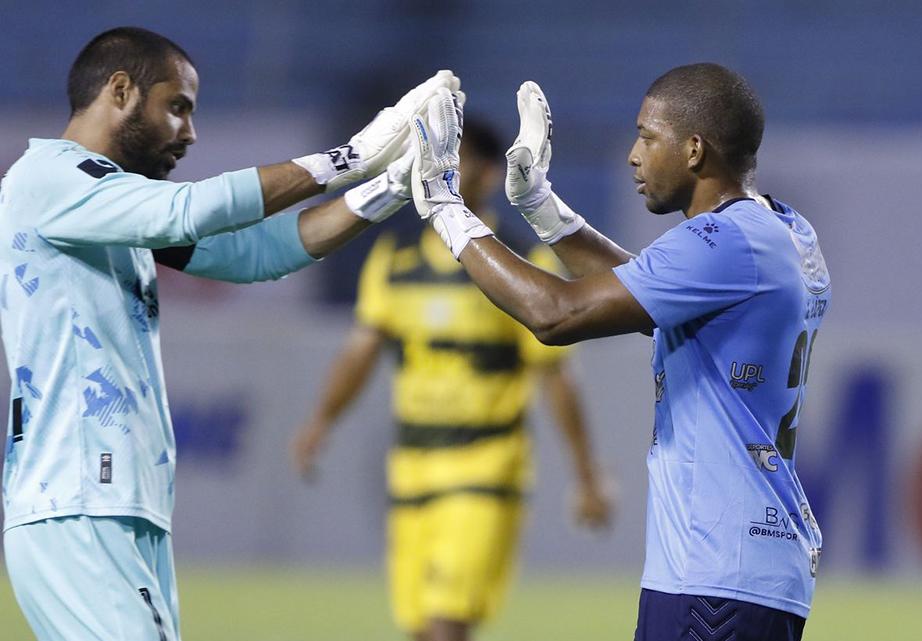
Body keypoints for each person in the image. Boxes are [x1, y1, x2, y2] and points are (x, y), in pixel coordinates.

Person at [0, 26, 461, 641]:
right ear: (120, 90)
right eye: (177, 106)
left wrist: (390, 186)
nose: (190, 132)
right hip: (77, 500)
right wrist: (350, 158)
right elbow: (185, 211)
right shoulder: (49, 178)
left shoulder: (105, 203)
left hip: (115, 503)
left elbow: (254, 254)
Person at [395, 63, 830, 640]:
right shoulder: (784, 229)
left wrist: (447, 209)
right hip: (750, 567)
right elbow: (641, 290)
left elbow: (556, 314)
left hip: (715, 571)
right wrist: (541, 206)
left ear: (694, 149)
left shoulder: (724, 242)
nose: (633, 155)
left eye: (648, 137)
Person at [290, 119, 612, 641]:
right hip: (411, 469)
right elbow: (362, 349)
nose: (439, 172)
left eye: (454, 161)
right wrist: (320, 422)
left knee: (446, 625)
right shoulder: (394, 260)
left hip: (485, 465)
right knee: (421, 628)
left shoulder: (519, 266)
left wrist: (586, 475)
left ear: (487, 174)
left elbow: (555, 376)